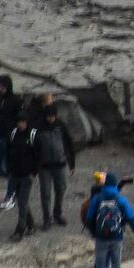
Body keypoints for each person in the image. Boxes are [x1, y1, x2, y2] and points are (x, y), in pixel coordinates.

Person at [81, 171, 134, 268]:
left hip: (101, 238)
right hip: (117, 237)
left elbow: (89, 219)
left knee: (100, 267)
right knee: (116, 267)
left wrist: (94, 233)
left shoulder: (97, 198)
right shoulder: (120, 199)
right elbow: (131, 217)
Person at [31, 92, 76, 228]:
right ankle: (47, 219)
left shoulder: (60, 125)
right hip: (44, 167)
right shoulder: (37, 127)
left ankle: (57, 214)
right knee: (45, 193)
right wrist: (33, 167)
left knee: (60, 190)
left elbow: (69, 144)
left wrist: (72, 163)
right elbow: (33, 149)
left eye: (53, 116)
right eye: (49, 116)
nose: (51, 119)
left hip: (60, 164)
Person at [6, 110, 42, 240]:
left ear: (27, 122)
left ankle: (20, 229)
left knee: (22, 201)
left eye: (23, 122)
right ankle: (31, 224)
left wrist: (34, 172)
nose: (20, 124)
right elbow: (8, 151)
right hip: (15, 174)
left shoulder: (33, 135)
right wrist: (9, 169)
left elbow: (39, 156)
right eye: (19, 122)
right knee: (22, 201)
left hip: (27, 175)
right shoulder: (13, 134)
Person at [0, 75, 21, 209]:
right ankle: (15, 183)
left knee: (10, 166)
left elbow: (20, 118)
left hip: (10, 138)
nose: (1, 88)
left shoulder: (16, 101)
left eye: (3, 86)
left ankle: (10, 195)